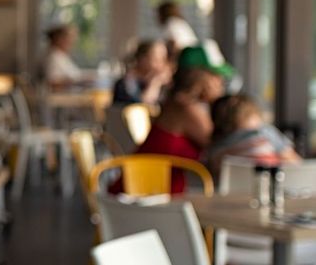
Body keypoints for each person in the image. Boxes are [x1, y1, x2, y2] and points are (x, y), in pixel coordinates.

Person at [119, 45, 230, 194]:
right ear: (200, 76)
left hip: (149, 195)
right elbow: (224, 145)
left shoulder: (176, 102)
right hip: (140, 199)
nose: (221, 82)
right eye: (216, 75)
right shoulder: (186, 108)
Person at [204, 94, 299, 175]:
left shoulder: (215, 147)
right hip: (268, 190)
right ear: (253, 115)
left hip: (231, 195)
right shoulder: (265, 133)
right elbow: (295, 163)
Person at [112, 40, 171, 106]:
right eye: (156, 59)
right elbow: (141, 105)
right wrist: (155, 84)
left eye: (164, 59)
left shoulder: (165, 84)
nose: (161, 64)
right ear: (142, 59)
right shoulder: (127, 83)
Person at [41, 25, 83, 91]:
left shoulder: (61, 55)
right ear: (59, 39)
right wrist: (78, 81)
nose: (73, 41)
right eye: (70, 38)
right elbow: (52, 81)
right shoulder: (53, 57)